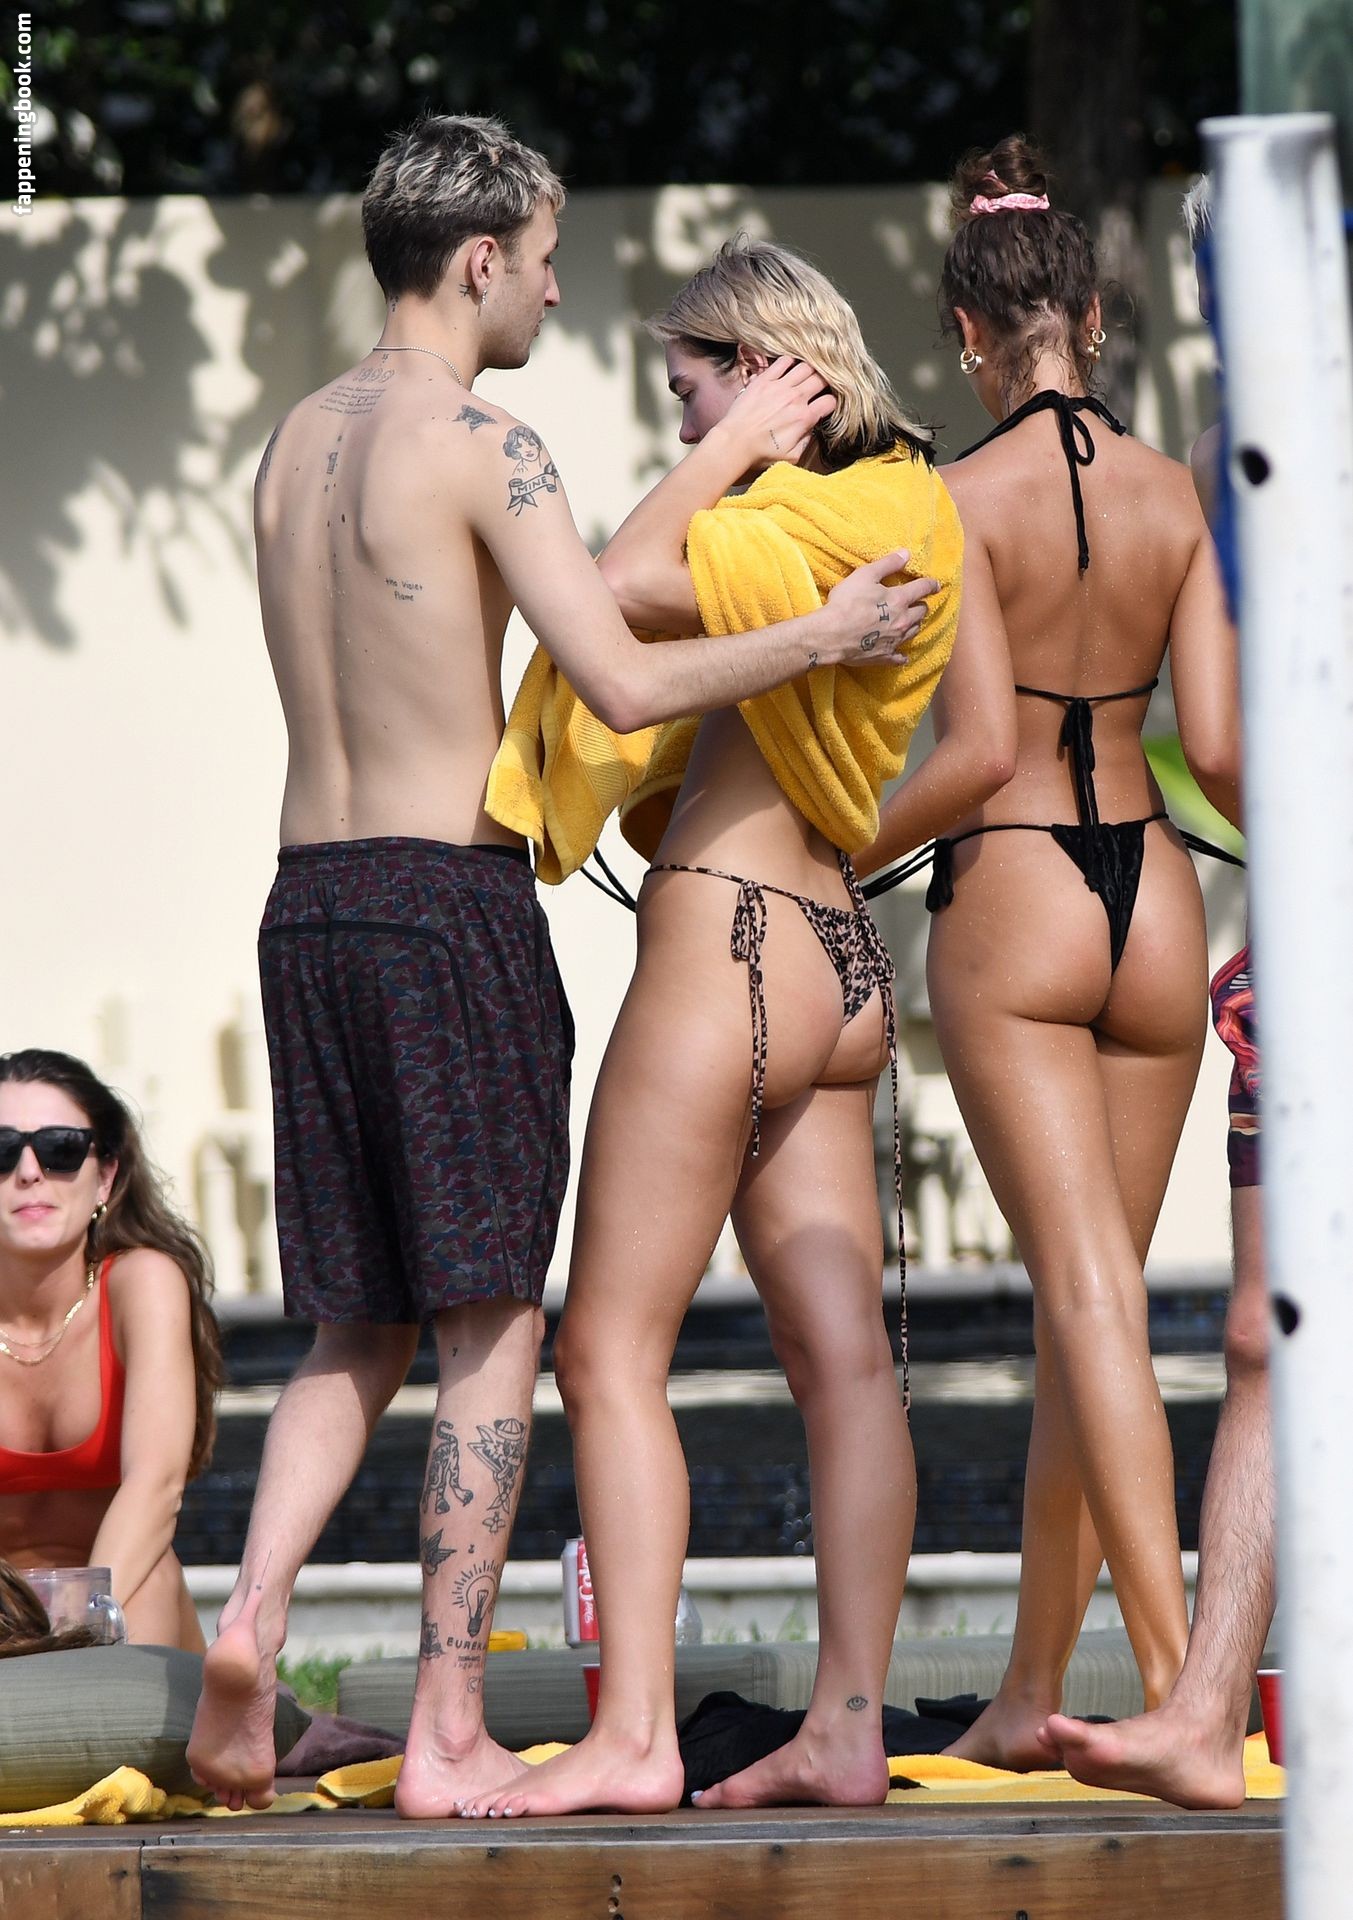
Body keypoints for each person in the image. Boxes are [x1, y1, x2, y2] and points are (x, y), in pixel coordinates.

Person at [184, 117, 935, 1817]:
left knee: (350, 1324)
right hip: (447, 902)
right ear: (477, 261)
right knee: (488, 1323)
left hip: (308, 900)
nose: (548, 289)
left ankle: (250, 1616)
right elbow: (618, 676)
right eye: (538, 260)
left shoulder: (292, 444)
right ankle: (449, 1723)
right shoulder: (485, 445)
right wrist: (819, 636)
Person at [460, 235, 988, 1819]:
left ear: (766, 374)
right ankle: (845, 1726)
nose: (685, 430)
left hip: (729, 943)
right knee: (848, 1365)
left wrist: (733, 452)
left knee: (608, 1348)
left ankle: (630, 1733)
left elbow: (613, 588)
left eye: (695, 394)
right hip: (841, 953)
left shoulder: (778, 519)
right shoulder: (916, 507)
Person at [855, 137, 1241, 1769]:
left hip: (1015, 885)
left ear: (965, 334)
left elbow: (972, 756)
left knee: (1083, 1303)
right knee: (1096, 1315)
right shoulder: (1172, 496)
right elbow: (1214, 750)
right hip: (1153, 899)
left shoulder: (952, 500)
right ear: (1091, 317)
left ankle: (1177, 1695)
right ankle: (1029, 1689)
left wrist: (833, 850)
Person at [1042, 175, 1272, 1808]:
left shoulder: (1226, 463)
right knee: (1256, 1335)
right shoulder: (1206, 470)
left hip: (1152, 896)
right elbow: (1226, 740)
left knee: (1168, 1314)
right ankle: (1195, 1704)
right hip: (1257, 929)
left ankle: (1179, 1688)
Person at [0, 1048, 222, 1650]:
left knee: (148, 1577)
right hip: (3, 1612)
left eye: (61, 1148)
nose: (29, 1171)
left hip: (122, 1597)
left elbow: (158, 1485)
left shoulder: (142, 1283)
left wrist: (74, 1628)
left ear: (105, 1176)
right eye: (2, 1150)